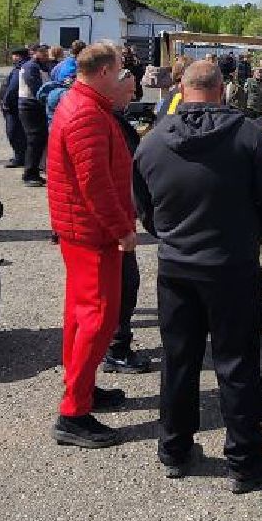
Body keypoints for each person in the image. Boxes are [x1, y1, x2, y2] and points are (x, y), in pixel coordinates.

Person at [133, 61, 262, 491]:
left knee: (179, 359)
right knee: (237, 362)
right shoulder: (248, 136)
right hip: (231, 266)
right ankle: (244, 459)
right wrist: (251, 236)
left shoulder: (154, 142)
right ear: (222, 89)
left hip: (178, 267)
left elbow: (145, 207)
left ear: (181, 88)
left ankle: (175, 448)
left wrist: (171, 236)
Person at [45, 42, 141, 448]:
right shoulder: (86, 113)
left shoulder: (83, 105)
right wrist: (123, 229)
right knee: (99, 317)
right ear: (102, 72)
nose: (123, 80)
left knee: (81, 315)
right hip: (92, 233)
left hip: (82, 231)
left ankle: (81, 388)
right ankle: (73, 413)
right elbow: (95, 185)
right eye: (119, 73)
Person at [103, 66, 151, 376]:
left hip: (117, 216)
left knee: (124, 284)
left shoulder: (111, 116)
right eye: (130, 89)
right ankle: (116, 348)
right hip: (112, 221)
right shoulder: (106, 118)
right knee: (123, 285)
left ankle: (115, 344)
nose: (134, 95)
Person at [15, 44, 51, 187]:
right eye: (44, 53)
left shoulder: (42, 66)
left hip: (38, 106)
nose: (47, 56)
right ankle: (29, 174)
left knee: (40, 139)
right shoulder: (30, 67)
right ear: (36, 53)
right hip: (29, 106)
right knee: (34, 139)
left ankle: (34, 172)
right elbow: (36, 88)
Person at [0, 47, 29, 167]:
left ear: (18, 56)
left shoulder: (19, 68)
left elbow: (13, 88)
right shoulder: (21, 67)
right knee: (18, 132)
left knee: (13, 132)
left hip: (13, 106)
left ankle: (19, 157)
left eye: (14, 55)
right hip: (16, 105)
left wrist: (6, 102)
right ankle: (20, 156)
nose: (13, 58)